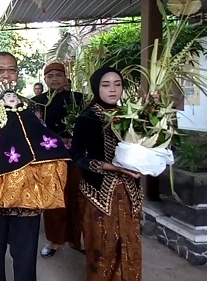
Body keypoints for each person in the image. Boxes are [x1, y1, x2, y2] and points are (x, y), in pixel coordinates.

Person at [0, 52, 69, 281]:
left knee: (26, 260)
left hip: (27, 198)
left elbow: (40, 150)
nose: (6, 75)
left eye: (11, 70)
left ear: (17, 75)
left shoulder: (31, 106)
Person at [71, 67, 143, 281]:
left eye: (117, 84)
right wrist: (110, 167)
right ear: (96, 88)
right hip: (99, 194)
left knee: (130, 244)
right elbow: (77, 157)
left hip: (130, 192)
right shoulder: (88, 118)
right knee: (103, 247)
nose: (113, 89)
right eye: (106, 84)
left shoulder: (131, 115)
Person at [32, 62, 85, 257]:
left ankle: (76, 240)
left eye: (58, 75)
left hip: (76, 158)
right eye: (50, 76)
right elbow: (33, 131)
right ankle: (54, 241)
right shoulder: (37, 102)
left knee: (77, 199)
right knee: (54, 202)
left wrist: (75, 139)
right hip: (51, 158)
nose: (54, 79)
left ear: (65, 77)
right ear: (45, 79)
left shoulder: (78, 99)